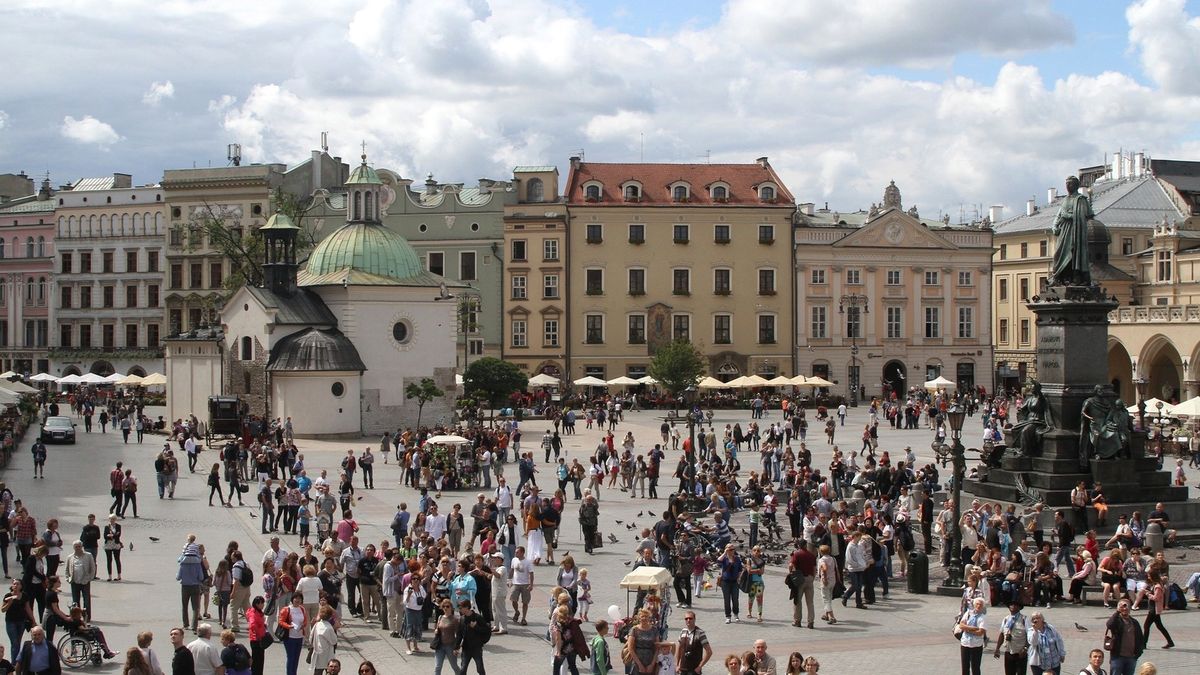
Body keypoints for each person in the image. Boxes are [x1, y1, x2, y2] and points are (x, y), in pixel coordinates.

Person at [1105, 599, 1144, 675]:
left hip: (1131, 658)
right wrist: (1117, 612)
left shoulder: (1134, 622)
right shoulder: (1117, 620)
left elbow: (1141, 638)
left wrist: (1138, 653)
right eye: (1122, 606)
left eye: (1127, 606)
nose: (1125, 608)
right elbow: (1109, 625)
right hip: (1117, 657)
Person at [992, 601, 1028, 675]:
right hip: (1009, 651)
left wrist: (1025, 648)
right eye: (1011, 605)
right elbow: (1002, 634)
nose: (1012, 606)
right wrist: (997, 649)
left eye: (1015, 605)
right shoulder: (1006, 619)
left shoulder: (1024, 619)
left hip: (1020, 653)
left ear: (1019, 608)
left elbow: (1029, 635)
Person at [63, 542, 95, 621]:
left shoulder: (88, 555)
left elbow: (93, 567)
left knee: (86, 600)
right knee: (75, 601)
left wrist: (90, 578)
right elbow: (66, 569)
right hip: (74, 581)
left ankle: (86, 616)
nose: (78, 548)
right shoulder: (70, 557)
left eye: (79, 546)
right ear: (74, 548)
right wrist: (68, 578)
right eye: (76, 547)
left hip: (85, 581)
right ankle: (76, 617)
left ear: (82, 547)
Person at [1141, 573, 1173, 649]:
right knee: (1160, 626)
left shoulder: (1158, 587)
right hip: (1153, 608)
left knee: (1146, 626)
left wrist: (1148, 594)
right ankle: (1170, 642)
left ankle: (1144, 644)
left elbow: (1156, 598)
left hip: (1154, 609)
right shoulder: (1154, 584)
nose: (1148, 577)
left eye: (1149, 576)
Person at [788, 543, 816, 629]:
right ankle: (810, 622)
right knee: (810, 602)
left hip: (800, 579)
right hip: (809, 578)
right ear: (806, 545)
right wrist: (813, 577)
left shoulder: (796, 554)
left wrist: (790, 573)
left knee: (798, 601)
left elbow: (790, 565)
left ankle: (797, 621)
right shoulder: (811, 555)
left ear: (799, 545)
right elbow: (814, 568)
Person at [278, 593, 307, 675]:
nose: (297, 600)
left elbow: (305, 620)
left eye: (299, 598)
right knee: (291, 657)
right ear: (292, 599)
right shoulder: (286, 609)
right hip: (290, 637)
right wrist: (288, 626)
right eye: (296, 598)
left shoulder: (302, 609)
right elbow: (280, 621)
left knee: (296, 658)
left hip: (299, 636)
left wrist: (303, 625)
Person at [957, 596, 986, 675]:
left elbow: (980, 632)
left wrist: (967, 630)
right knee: (965, 667)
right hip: (965, 643)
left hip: (976, 645)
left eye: (980, 604)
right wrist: (972, 628)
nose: (978, 606)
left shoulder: (983, 617)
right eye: (977, 604)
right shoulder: (968, 613)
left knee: (975, 667)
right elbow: (961, 625)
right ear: (974, 605)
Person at [625, 609, 658, 675]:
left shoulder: (654, 629)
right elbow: (630, 648)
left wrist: (652, 664)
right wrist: (639, 665)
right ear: (639, 618)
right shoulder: (634, 629)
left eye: (646, 616)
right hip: (637, 659)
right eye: (642, 616)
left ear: (649, 618)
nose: (644, 618)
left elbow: (657, 648)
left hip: (650, 659)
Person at [307, 606, 337, 675]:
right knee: (330, 671)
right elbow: (334, 641)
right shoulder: (329, 628)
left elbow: (310, 638)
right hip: (328, 653)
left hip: (318, 652)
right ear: (330, 617)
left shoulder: (317, 625)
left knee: (318, 671)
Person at [246, 597, 267, 675]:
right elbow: (252, 625)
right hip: (256, 639)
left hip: (259, 638)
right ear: (257, 604)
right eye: (261, 603)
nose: (263, 605)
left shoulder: (258, 612)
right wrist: (259, 633)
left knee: (260, 659)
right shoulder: (254, 613)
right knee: (257, 661)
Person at [102, 515, 123, 581]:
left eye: (113, 519)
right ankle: (109, 576)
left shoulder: (118, 526)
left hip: (116, 544)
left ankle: (119, 576)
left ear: (115, 519)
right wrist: (111, 536)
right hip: (108, 544)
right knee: (109, 560)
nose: (112, 520)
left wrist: (111, 536)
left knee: (117, 559)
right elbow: (105, 536)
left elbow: (118, 535)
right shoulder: (106, 527)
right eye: (111, 519)